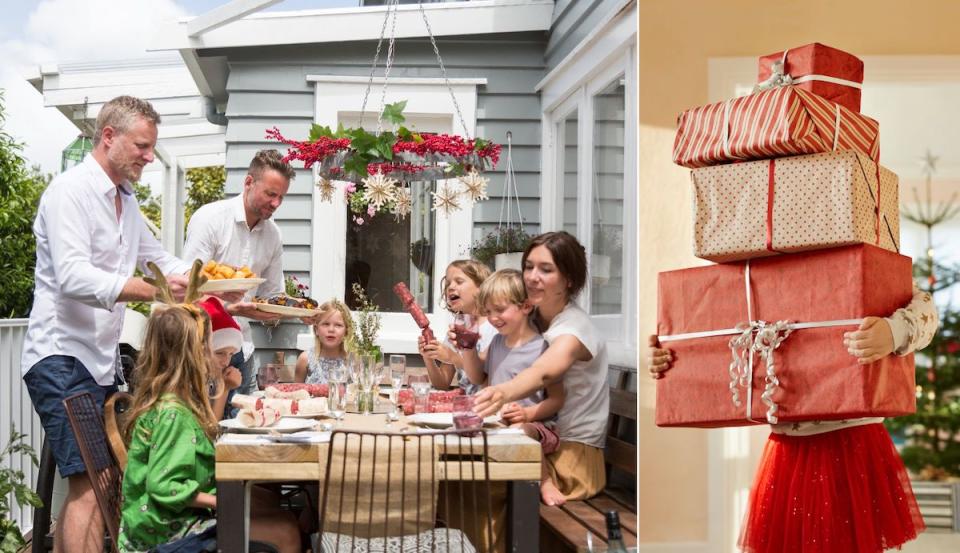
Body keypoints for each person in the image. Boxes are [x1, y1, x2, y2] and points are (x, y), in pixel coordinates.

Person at [21, 95, 192, 553]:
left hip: (97, 362)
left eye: (152, 147)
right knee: (95, 479)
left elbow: (161, 261)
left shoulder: (127, 202)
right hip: (60, 355)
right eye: (142, 145)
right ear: (109, 136)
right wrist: (154, 290)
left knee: (100, 479)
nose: (149, 157)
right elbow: (74, 277)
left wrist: (211, 279)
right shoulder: (70, 192)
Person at [648, 285, 939, 553]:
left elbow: (925, 307)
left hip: (854, 444)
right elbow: (717, 326)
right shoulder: (761, 274)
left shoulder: (858, 257)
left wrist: (895, 331)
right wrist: (674, 356)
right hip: (790, 449)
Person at [118, 300, 300, 553]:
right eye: (209, 347)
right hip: (166, 533)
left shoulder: (176, 399)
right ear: (190, 355)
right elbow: (163, 486)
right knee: (286, 531)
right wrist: (221, 502)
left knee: (278, 514)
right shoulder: (174, 413)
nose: (221, 357)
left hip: (167, 520)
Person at [473, 232, 609, 506]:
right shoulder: (532, 317)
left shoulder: (574, 328)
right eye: (528, 266)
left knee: (485, 492)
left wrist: (502, 392)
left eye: (546, 270)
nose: (532, 276)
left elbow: (544, 372)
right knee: (467, 479)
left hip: (571, 456)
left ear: (568, 279)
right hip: (531, 442)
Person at [182, 149, 297, 394]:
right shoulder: (210, 219)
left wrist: (298, 311)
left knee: (246, 427)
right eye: (271, 194)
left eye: (281, 197)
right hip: (203, 349)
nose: (276, 203)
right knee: (205, 427)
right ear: (248, 182)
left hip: (242, 351)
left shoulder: (273, 235)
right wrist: (229, 307)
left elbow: (272, 295)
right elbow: (187, 288)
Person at [458, 269, 565, 503]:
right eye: (488, 311)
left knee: (518, 431)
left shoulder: (542, 348)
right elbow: (477, 376)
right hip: (497, 423)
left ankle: (545, 483)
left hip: (537, 427)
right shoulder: (497, 342)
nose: (493, 317)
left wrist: (526, 414)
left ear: (526, 306)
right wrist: (467, 347)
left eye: (500, 309)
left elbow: (557, 399)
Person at [419, 259, 495, 393]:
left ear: (481, 288)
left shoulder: (494, 327)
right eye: (448, 283)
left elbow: (488, 377)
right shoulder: (457, 329)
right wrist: (428, 357)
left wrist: (453, 358)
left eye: (459, 282)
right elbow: (442, 384)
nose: (450, 287)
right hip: (465, 407)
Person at [197, 296, 243, 420]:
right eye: (219, 353)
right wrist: (225, 389)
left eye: (231, 354)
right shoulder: (193, 380)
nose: (226, 361)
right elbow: (210, 426)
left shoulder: (213, 375)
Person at [295, 299, 353, 383]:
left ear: (346, 331)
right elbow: (297, 393)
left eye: (338, 325)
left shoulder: (353, 361)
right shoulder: (305, 359)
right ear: (316, 330)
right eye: (326, 324)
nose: (331, 329)